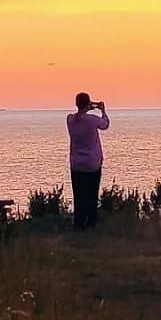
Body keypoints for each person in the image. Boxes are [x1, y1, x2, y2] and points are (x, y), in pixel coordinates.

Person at [67, 92, 108, 230]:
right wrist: (102, 110)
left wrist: (87, 106)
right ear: (88, 103)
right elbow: (105, 124)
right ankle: (91, 221)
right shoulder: (92, 120)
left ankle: (79, 222)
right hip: (92, 164)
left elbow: (79, 114)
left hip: (76, 164)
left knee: (78, 194)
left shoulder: (70, 120)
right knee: (91, 193)